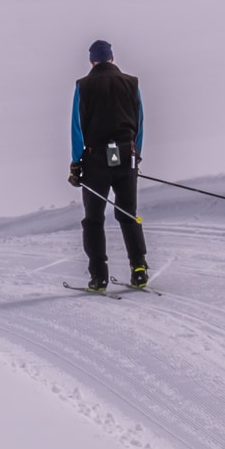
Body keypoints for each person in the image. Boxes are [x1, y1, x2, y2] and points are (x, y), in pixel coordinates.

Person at [68, 39, 149, 291]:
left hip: (96, 160)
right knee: (128, 214)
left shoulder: (83, 86)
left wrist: (75, 163)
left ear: (92, 61)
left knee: (93, 219)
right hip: (127, 156)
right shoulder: (131, 82)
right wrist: (137, 155)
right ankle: (139, 270)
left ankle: (99, 276)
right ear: (111, 59)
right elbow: (140, 122)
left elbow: (77, 127)